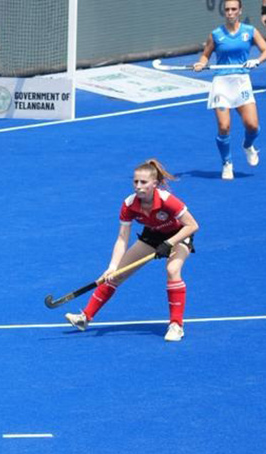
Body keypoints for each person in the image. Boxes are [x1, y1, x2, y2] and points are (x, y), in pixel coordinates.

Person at [65, 159, 199, 342]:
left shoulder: (167, 200)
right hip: (152, 235)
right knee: (118, 274)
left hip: (179, 234)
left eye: (143, 182)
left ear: (154, 184)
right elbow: (122, 238)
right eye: (135, 182)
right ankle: (85, 318)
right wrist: (112, 267)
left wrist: (169, 243)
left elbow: (192, 225)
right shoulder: (129, 204)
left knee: (172, 270)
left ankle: (176, 325)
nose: (138, 186)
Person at [192, 0, 266, 180]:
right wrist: (201, 64)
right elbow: (205, 55)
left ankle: (248, 146)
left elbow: (265, 50)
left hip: (241, 81)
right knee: (224, 127)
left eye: (234, 9)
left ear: (240, 11)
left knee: (253, 126)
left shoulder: (250, 31)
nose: (230, 12)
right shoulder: (216, 34)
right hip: (222, 83)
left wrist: (257, 61)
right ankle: (227, 163)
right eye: (227, 9)